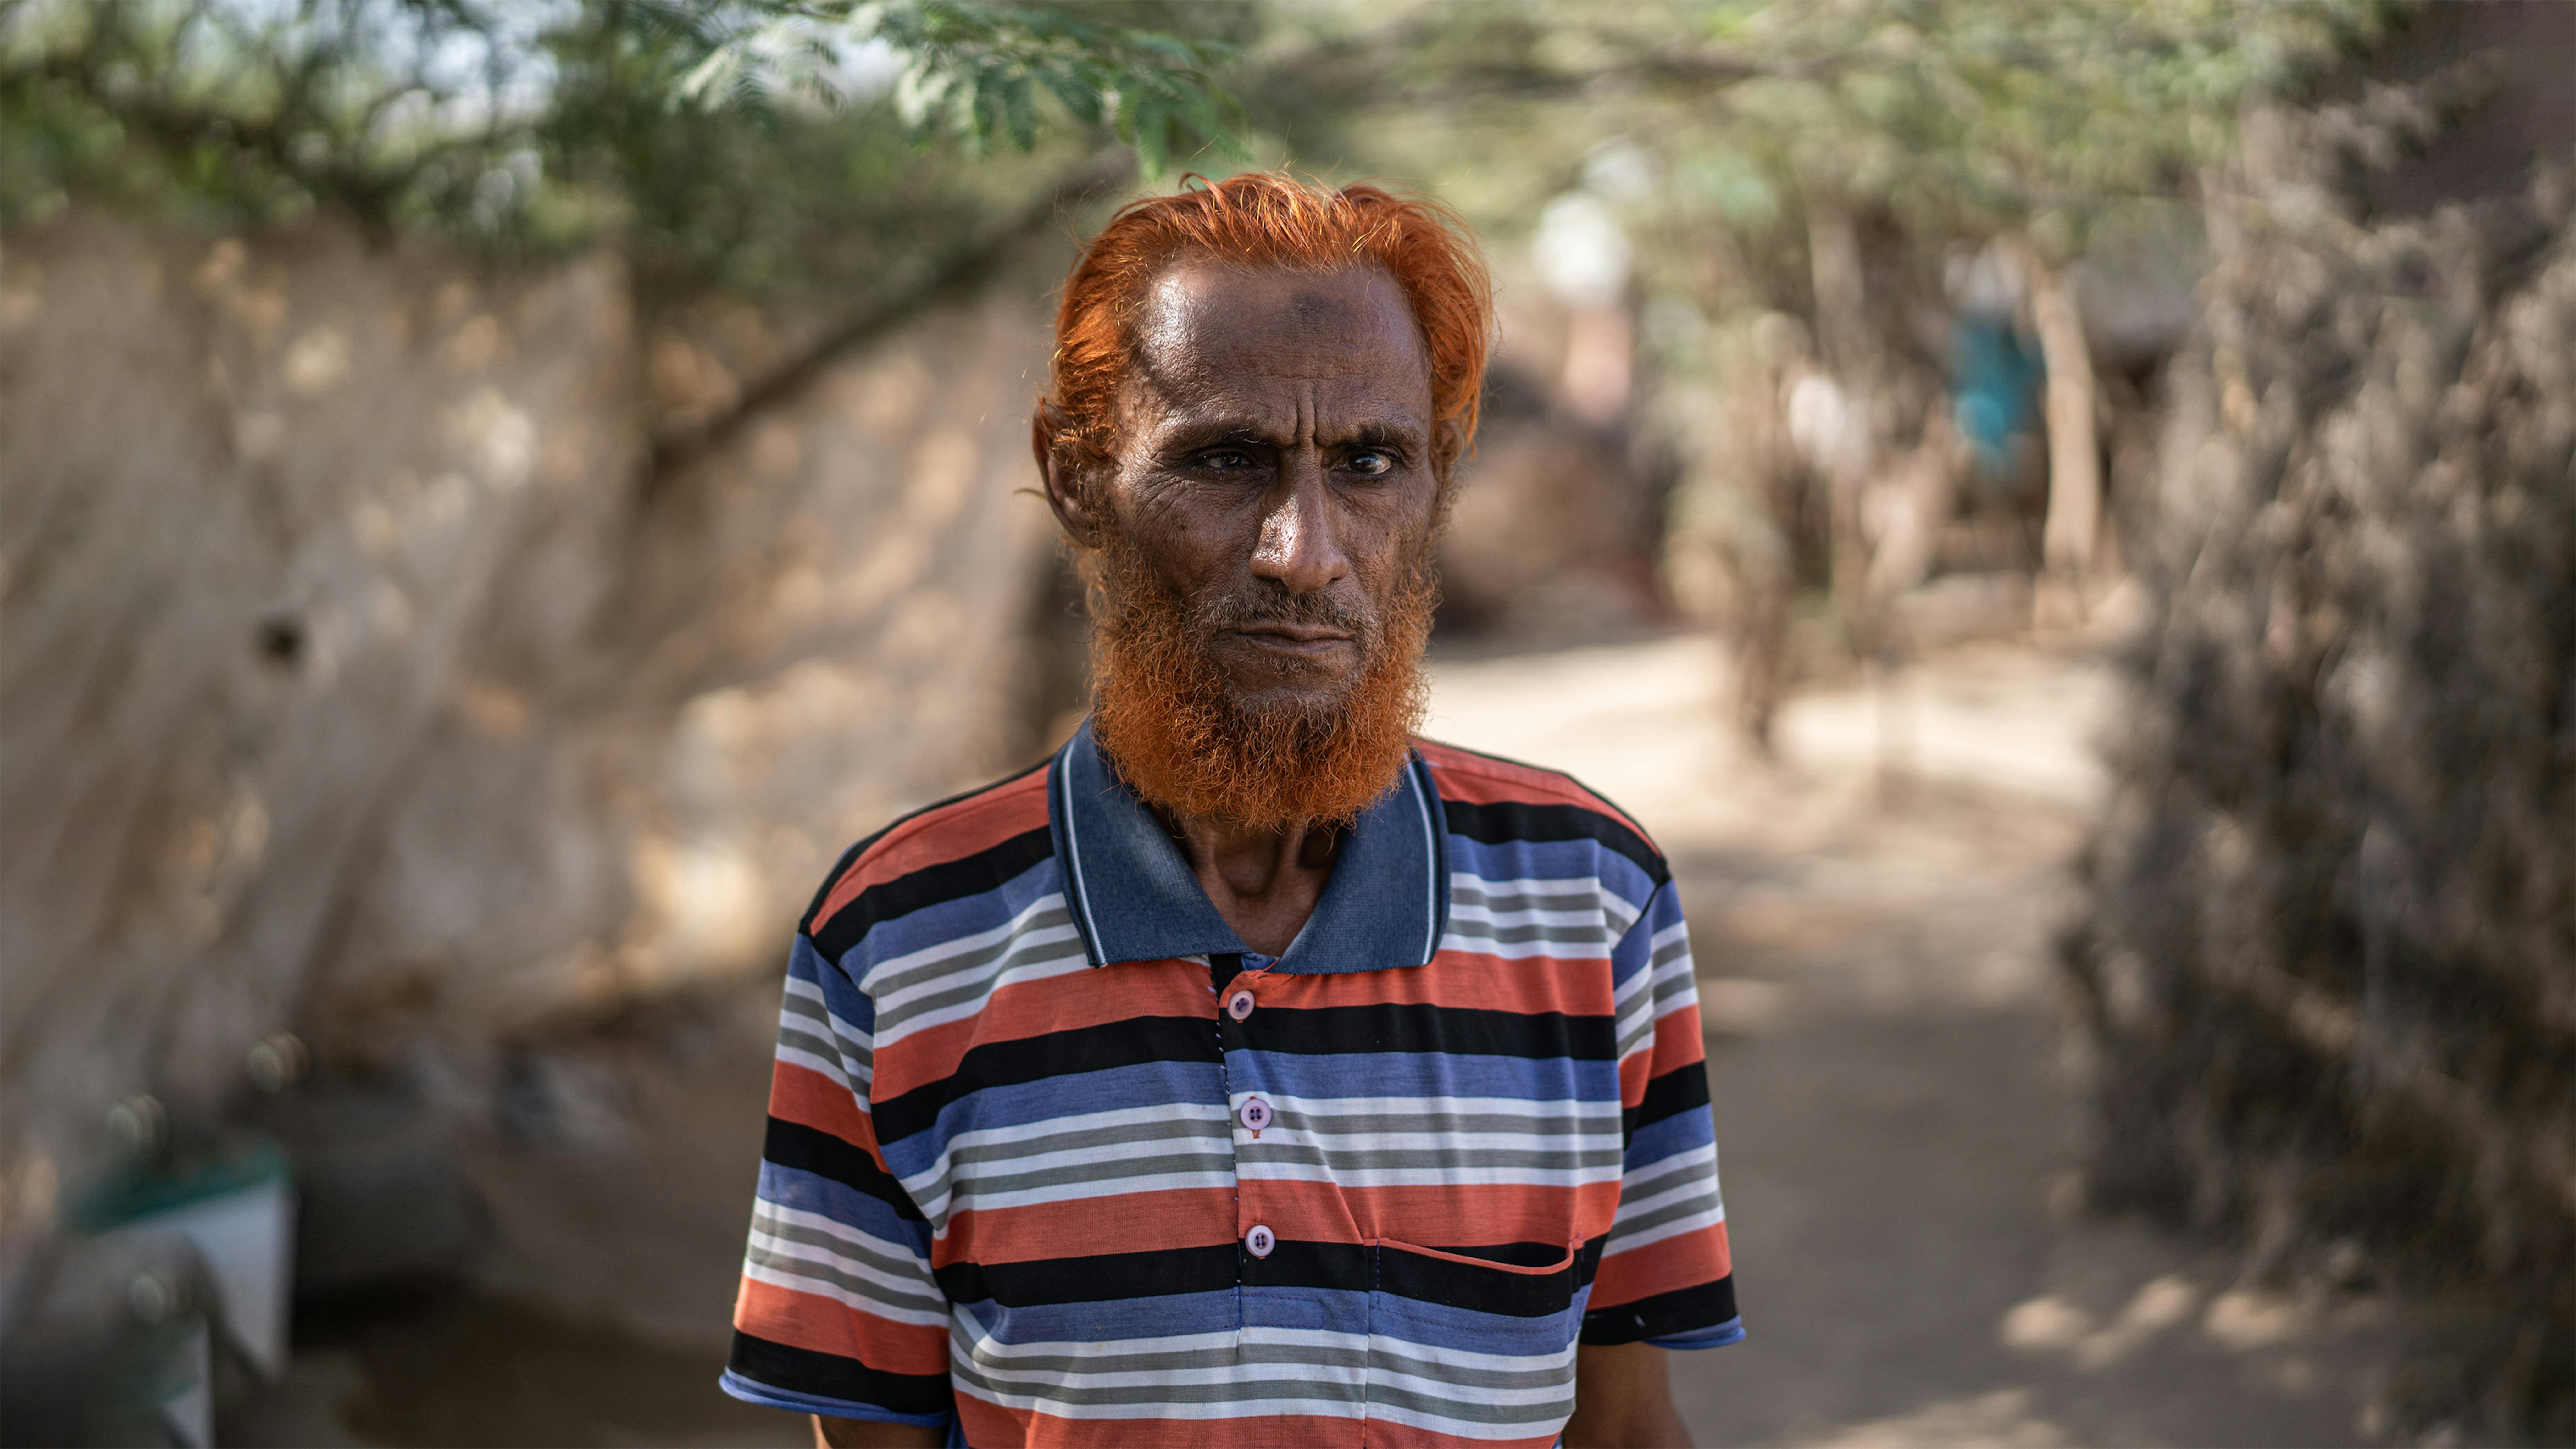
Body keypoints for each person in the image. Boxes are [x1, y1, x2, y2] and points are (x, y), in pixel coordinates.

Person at [718, 173, 1741, 1449]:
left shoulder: (1593, 904)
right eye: (1221, 458)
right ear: (1078, 476)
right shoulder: (895, 940)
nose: (1301, 548)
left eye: (1369, 462)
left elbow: (1628, 1432)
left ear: (1434, 487)